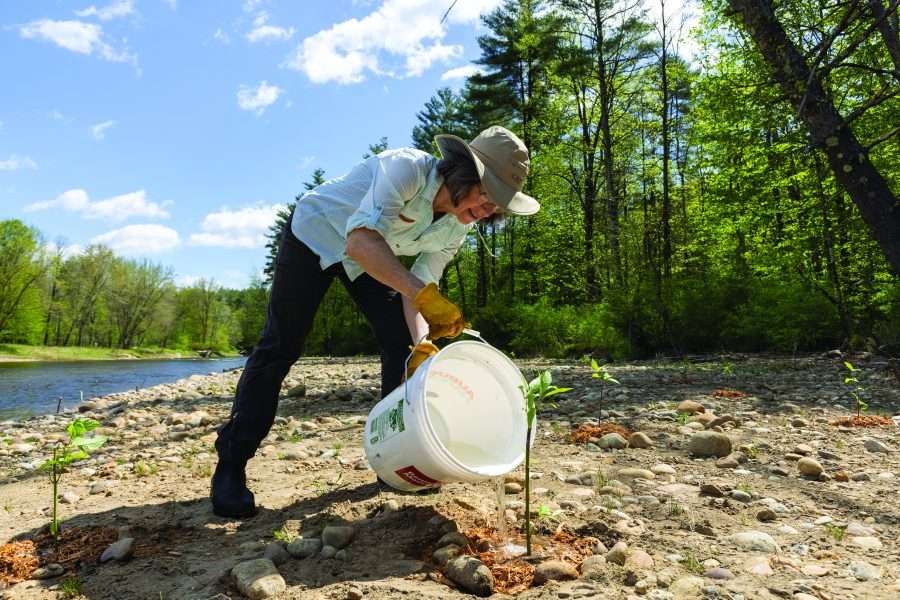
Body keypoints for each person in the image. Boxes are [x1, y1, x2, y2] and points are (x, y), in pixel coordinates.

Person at [211, 126, 540, 518]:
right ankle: (231, 465)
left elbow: (419, 290)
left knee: (402, 344)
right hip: (317, 234)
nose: (489, 210)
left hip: (367, 253)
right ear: (463, 172)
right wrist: (423, 295)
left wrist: (422, 345)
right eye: (488, 194)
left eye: (498, 206)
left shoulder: (458, 226)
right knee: (281, 345)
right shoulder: (405, 171)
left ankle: (397, 460)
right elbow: (361, 244)